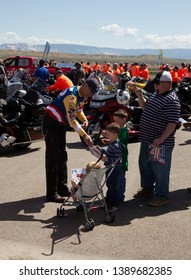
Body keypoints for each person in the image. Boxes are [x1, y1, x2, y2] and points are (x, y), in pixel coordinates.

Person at [42, 78, 100, 203]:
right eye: (91, 91)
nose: (91, 95)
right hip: (51, 123)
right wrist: (84, 135)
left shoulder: (81, 94)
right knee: (53, 157)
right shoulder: (72, 96)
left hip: (60, 123)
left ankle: (62, 188)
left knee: (62, 155)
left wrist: (84, 119)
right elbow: (72, 120)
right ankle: (52, 193)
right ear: (84, 85)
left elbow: (79, 110)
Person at [132, 70, 180, 206]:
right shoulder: (157, 94)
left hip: (159, 143)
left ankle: (162, 196)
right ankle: (148, 189)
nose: (155, 86)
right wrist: (140, 96)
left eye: (157, 84)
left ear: (166, 83)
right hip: (147, 139)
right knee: (145, 166)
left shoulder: (172, 100)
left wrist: (161, 139)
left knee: (160, 170)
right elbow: (145, 108)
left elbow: (172, 123)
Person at [102, 109, 129, 203]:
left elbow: (119, 145)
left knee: (119, 181)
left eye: (117, 121)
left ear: (124, 119)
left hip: (120, 162)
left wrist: (109, 138)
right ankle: (112, 197)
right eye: (114, 121)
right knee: (112, 181)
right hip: (116, 161)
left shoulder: (123, 131)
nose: (115, 123)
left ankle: (118, 198)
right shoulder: (119, 131)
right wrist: (109, 140)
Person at [100, 122, 124, 211]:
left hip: (114, 169)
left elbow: (117, 160)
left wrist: (106, 159)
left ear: (115, 134)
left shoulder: (116, 146)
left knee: (112, 186)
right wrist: (101, 150)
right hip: (110, 168)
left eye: (108, 134)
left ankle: (113, 204)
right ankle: (109, 201)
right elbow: (109, 152)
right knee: (109, 184)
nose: (107, 136)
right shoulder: (113, 142)